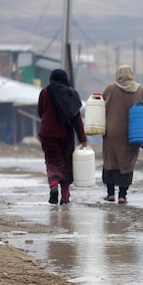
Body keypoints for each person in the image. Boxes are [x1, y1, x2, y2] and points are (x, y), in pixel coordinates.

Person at [101, 65, 143, 204]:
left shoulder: (110, 88)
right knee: (126, 164)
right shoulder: (139, 89)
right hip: (132, 133)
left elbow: (99, 106)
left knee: (110, 162)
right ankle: (122, 196)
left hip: (112, 132)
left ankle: (110, 194)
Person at [37, 69, 88, 205]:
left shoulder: (44, 92)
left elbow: (40, 111)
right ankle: (65, 197)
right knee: (66, 164)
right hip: (65, 134)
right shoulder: (71, 95)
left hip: (47, 133)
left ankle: (53, 187)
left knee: (52, 161)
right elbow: (77, 120)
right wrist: (83, 139)